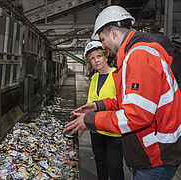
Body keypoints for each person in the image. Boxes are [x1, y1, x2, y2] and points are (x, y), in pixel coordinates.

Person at [64, 5, 181, 180]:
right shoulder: (133, 56)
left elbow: (136, 115)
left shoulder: (140, 56)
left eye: (102, 39)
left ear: (113, 33)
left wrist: (90, 120)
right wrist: (98, 105)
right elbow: (127, 101)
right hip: (149, 154)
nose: (103, 45)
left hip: (155, 156)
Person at [84, 41, 124, 180]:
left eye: (99, 56)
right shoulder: (94, 78)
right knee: (100, 163)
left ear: (106, 56)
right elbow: (90, 102)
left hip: (113, 131)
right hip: (96, 129)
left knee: (115, 167)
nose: (96, 61)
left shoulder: (117, 75)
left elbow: (121, 102)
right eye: (92, 59)